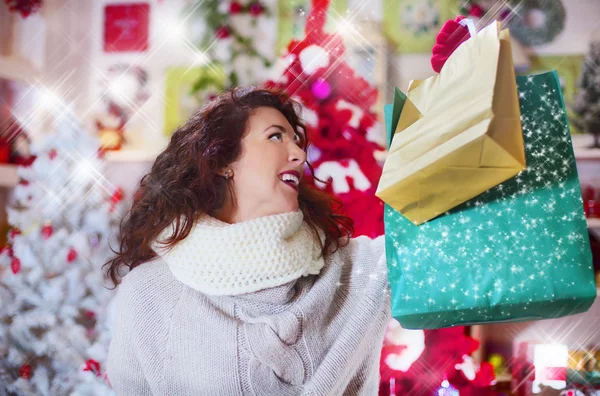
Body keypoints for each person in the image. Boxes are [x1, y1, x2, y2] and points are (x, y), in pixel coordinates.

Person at [104, 86, 391, 395]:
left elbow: (436, 247)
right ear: (223, 161)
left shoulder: (356, 269)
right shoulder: (149, 293)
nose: (299, 154)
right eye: (276, 137)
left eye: (296, 141)